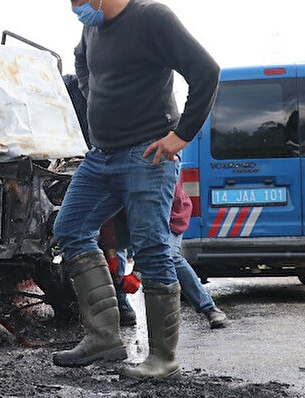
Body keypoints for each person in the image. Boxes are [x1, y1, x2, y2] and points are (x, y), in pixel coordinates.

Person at [52, 0, 219, 380]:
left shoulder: (151, 18)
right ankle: (104, 338)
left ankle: (163, 359)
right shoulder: (91, 28)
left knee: (152, 247)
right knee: (70, 229)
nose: (73, 6)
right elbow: (81, 61)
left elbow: (206, 70)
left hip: (147, 155)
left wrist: (180, 136)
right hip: (101, 157)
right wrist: (92, 95)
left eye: (78, 0)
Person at [111, 182, 228, 329]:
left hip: (168, 216)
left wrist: (137, 273)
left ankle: (209, 308)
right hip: (130, 218)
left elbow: (152, 240)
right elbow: (108, 228)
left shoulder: (152, 173)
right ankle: (123, 307)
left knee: (168, 255)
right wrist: (112, 258)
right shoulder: (110, 175)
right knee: (107, 248)